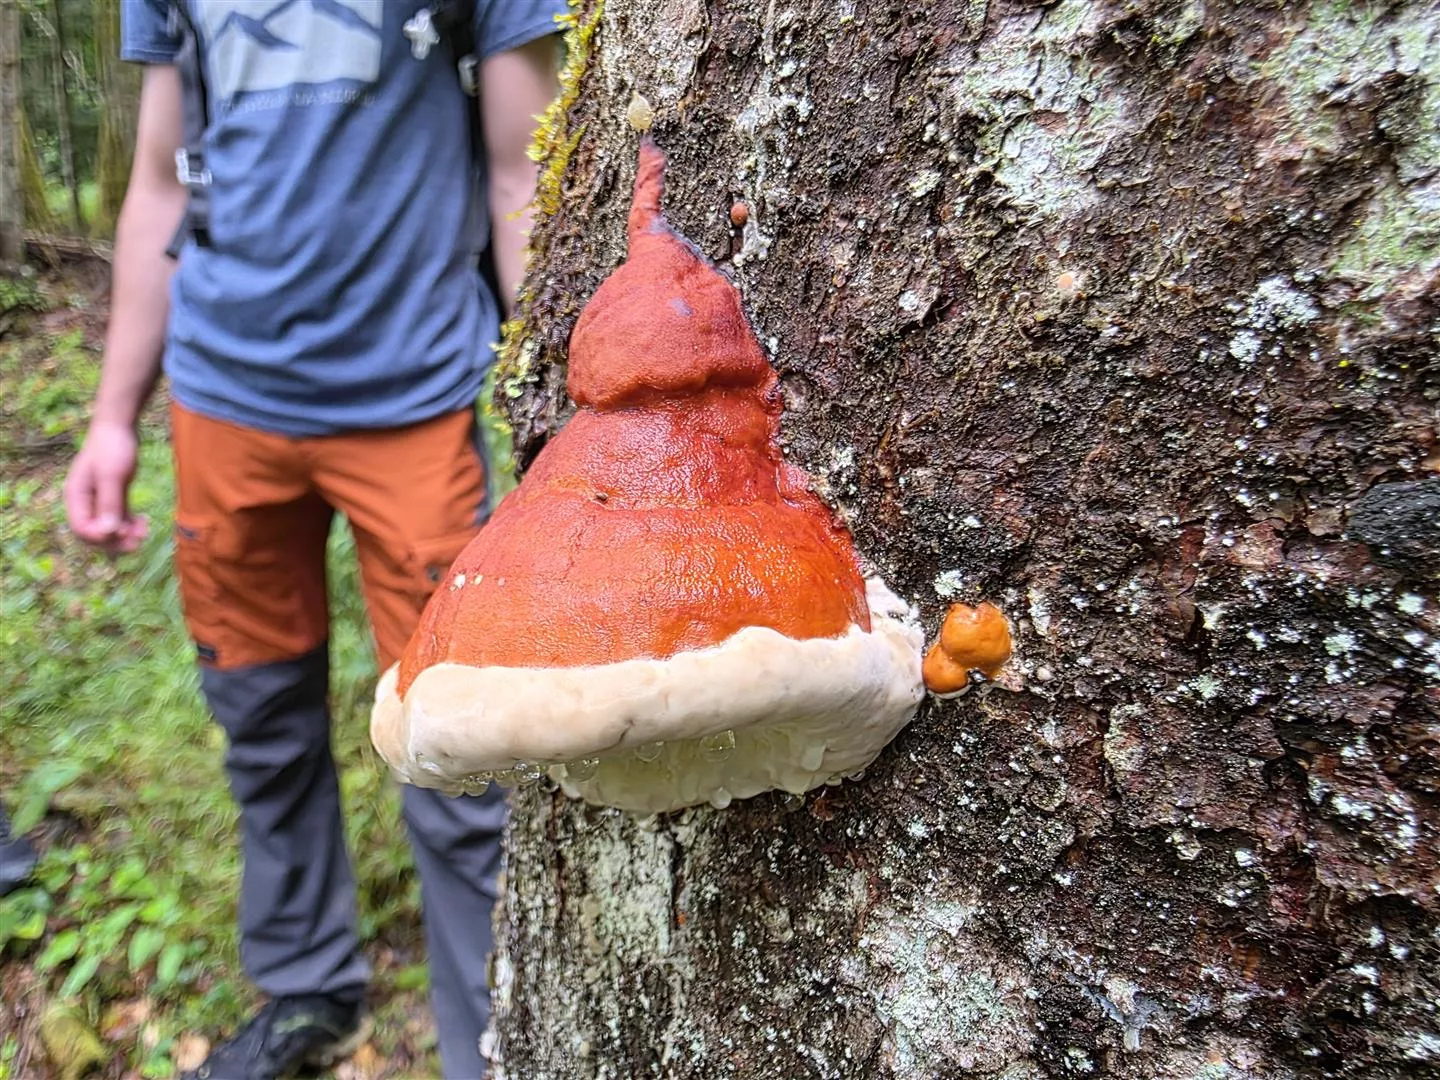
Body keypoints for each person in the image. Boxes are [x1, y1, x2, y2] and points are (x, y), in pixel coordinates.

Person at [62, 2, 566, 1077]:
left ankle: (489, 1041)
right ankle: (306, 988)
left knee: (457, 740)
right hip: (221, 394)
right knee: (259, 711)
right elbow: (159, 180)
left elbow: (521, 171)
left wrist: (554, 415)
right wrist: (111, 419)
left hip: (415, 395)